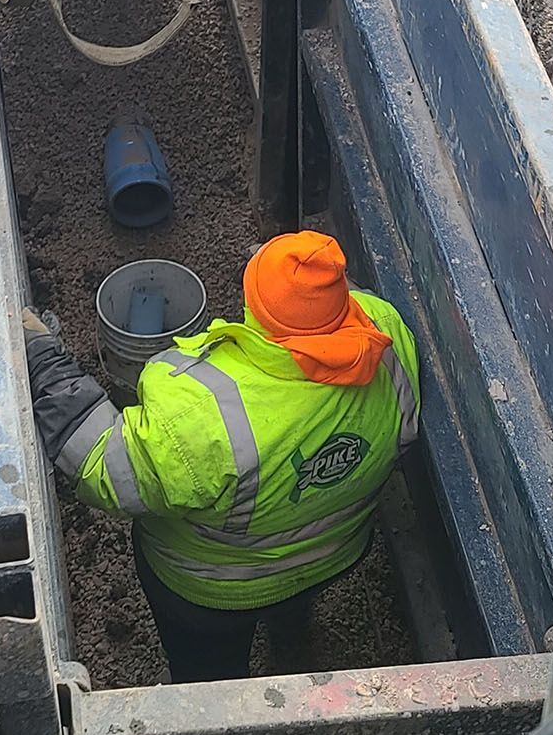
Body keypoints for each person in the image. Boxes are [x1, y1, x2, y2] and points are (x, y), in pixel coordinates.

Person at [22, 230, 419, 685]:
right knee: (293, 605)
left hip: (209, 595)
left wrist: (44, 361)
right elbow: (400, 440)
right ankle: (291, 645)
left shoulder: (201, 411)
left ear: (254, 308)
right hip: (334, 556)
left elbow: (99, 465)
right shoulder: (387, 337)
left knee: (210, 673)